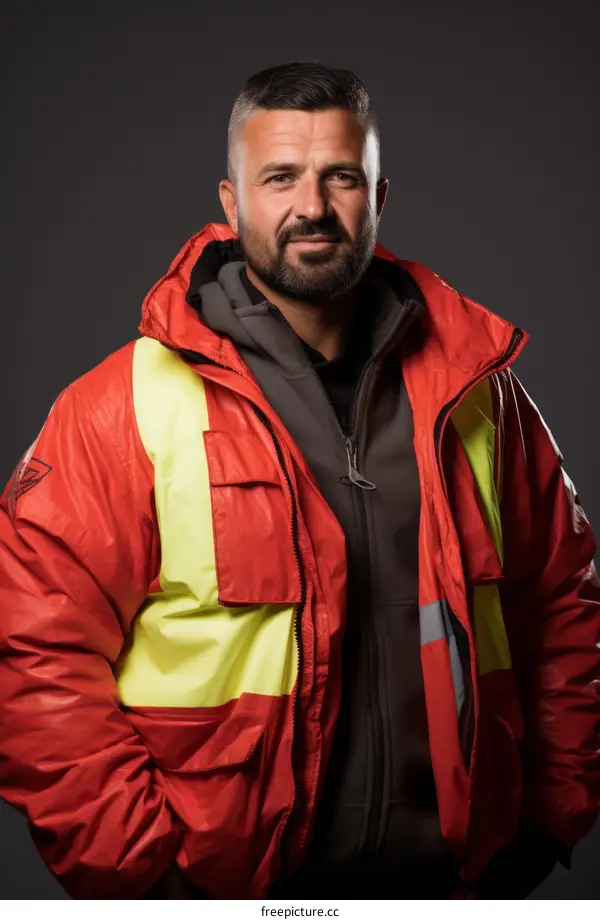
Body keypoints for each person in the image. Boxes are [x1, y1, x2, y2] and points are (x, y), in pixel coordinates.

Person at [0, 61, 598, 902]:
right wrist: (149, 883)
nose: (311, 207)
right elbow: (34, 657)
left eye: (339, 177)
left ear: (378, 196)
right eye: (279, 177)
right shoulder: (120, 406)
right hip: (223, 892)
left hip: (456, 887)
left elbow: (565, 609)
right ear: (230, 199)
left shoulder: (480, 395)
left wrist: (544, 825)